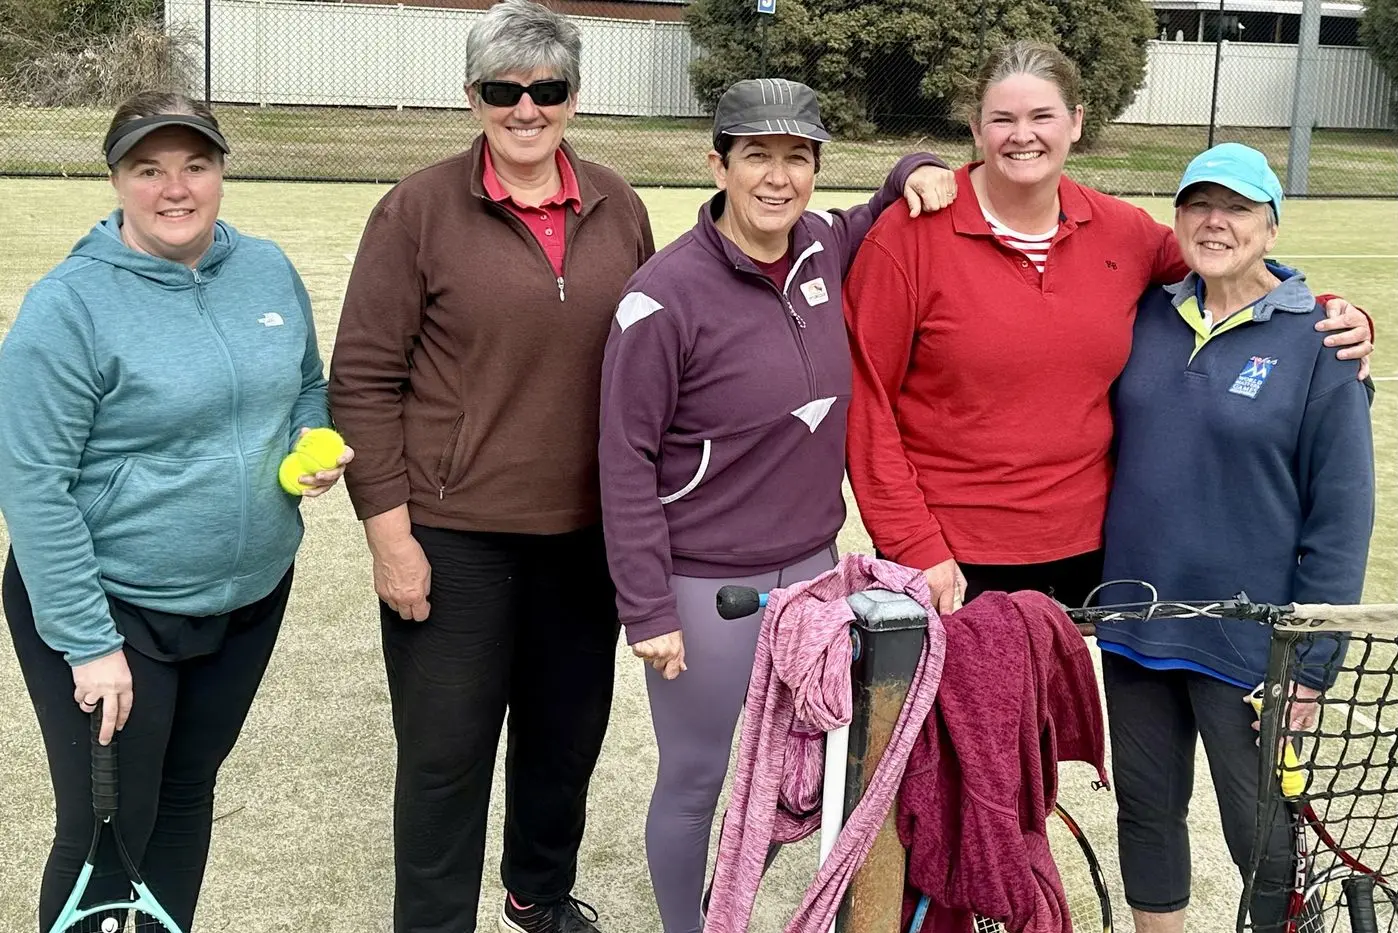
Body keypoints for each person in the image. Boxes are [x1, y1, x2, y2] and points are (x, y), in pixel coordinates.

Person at [597, 78, 954, 933]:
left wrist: (921, 162)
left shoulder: (825, 245)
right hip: (703, 584)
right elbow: (624, 460)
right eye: (757, 154)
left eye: (798, 157)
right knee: (697, 775)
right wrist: (647, 606)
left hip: (813, 572)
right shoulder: (661, 296)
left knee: (805, 769)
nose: (778, 177)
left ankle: (771, 908)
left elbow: (886, 198)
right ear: (717, 163)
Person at [843, 40, 1374, 615]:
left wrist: (1327, 310)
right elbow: (867, 405)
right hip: (952, 556)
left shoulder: (1124, 232)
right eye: (1003, 119)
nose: (1023, 135)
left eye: (1042, 116)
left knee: (1067, 706)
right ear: (976, 128)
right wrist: (915, 544)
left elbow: (1231, 271)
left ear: (1075, 122)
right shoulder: (907, 237)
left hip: (1093, 550)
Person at [326, 2, 654, 931]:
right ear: (470, 96)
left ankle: (538, 894)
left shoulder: (618, 205)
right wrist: (391, 539)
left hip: (583, 539)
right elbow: (361, 381)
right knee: (444, 758)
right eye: (502, 91)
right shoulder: (417, 209)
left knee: (563, 745)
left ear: (572, 99)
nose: (525, 109)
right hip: (453, 538)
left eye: (546, 90)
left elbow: (657, 357)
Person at [0, 90, 347, 933]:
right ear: (117, 179)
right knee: (102, 832)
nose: (175, 188)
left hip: (246, 598)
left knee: (188, 795)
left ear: (221, 170)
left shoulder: (265, 268)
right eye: (148, 169)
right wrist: (89, 644)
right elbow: (34, 484)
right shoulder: (68, 307)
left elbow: (305, 380)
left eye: (195, 165)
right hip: (113, 611)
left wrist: (310, 438)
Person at [1095, 144, 1374, 933]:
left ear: (1271, 224)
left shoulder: (1323, 338)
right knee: (1147, 814)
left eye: (1239, 207)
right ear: (1177, 217)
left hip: (1252, 648)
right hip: (1136, 625)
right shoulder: (1144, 313)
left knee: (1264, 837)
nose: (1215, 222)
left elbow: (1341, 515)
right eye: (1198, 205)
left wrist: (1310, 669)